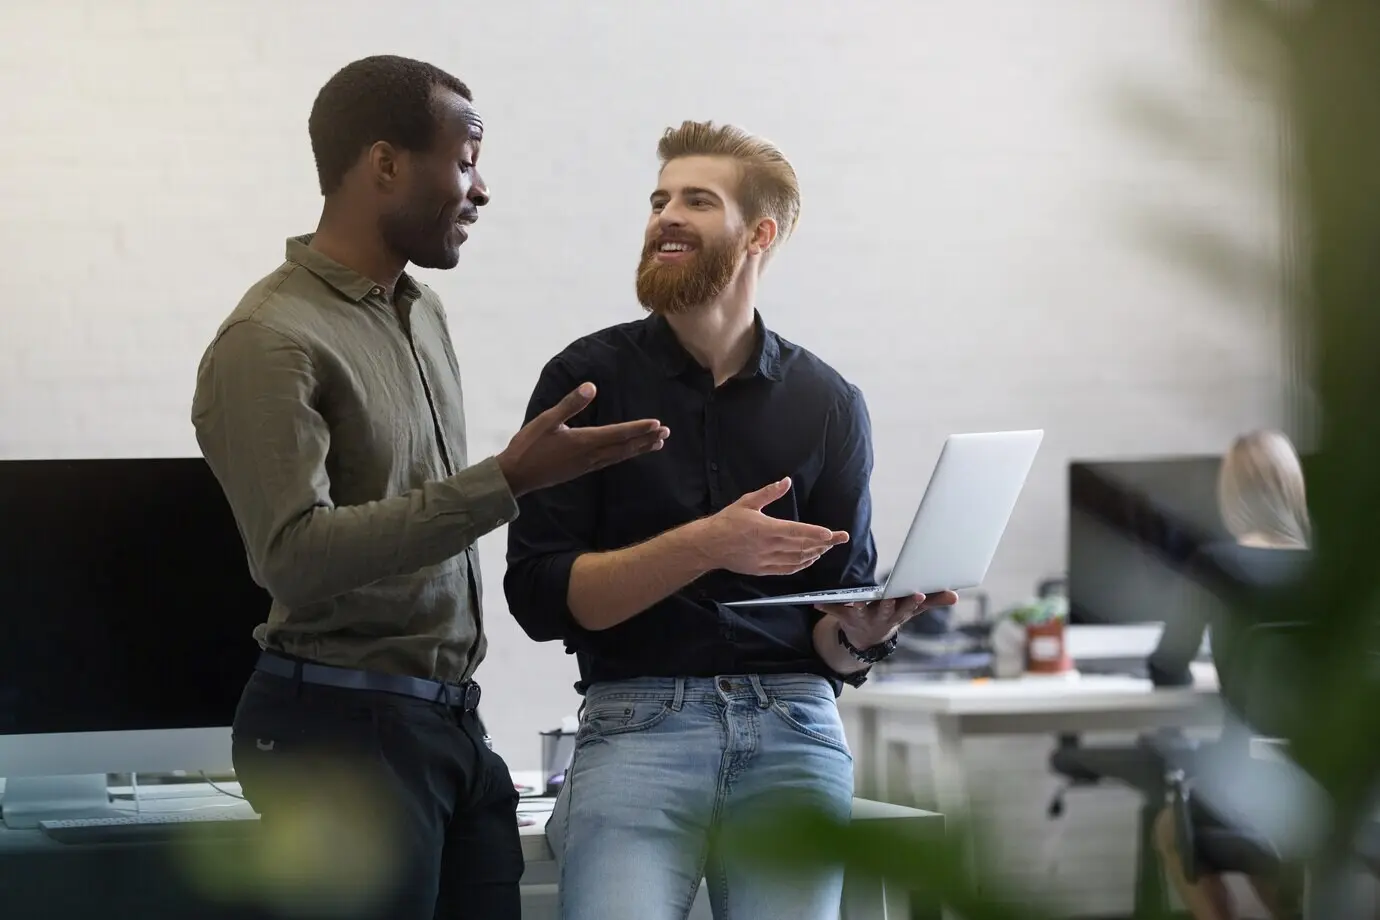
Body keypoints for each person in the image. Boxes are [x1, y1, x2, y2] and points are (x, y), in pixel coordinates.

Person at [190, 55, 668, 920]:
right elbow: (293, 559)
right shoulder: (269, 339)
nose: (480, 189)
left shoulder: (420, 310)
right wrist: (507, 482)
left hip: (446, 728)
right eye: (465, 159)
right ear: (384, 164)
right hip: (338, 735)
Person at [504, 120, 957, 920]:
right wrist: (709, 543)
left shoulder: (828, 403)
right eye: (659, 199)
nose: (665, 216)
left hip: (794, 721)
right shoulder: (585, 381)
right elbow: (540, 597)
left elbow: (831, 630)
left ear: (759, 234)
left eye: (696, 201)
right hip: (638, 721)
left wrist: (867, 631)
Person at [1148, 429, 1312, 920]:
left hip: (1247, 779)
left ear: (1233, 495)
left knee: (1169, 830)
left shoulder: (1216, 564)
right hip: (1325, 783)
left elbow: (1166, 664)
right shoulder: (1329, 572)